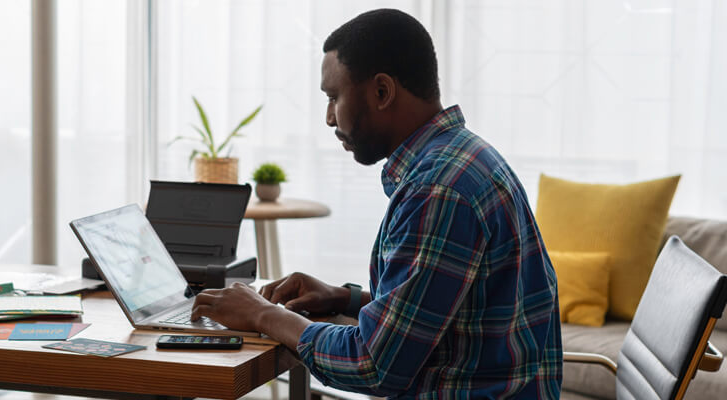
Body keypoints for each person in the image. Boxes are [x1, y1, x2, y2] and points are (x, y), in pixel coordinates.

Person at [192, 8, 563, 398]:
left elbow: (373, 365)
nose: (329, 117)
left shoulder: (437, 189)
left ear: (382, 92)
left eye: (334, 97)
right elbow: (446, 314)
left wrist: (262, 314)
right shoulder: (466, 158)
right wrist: (347, 299)